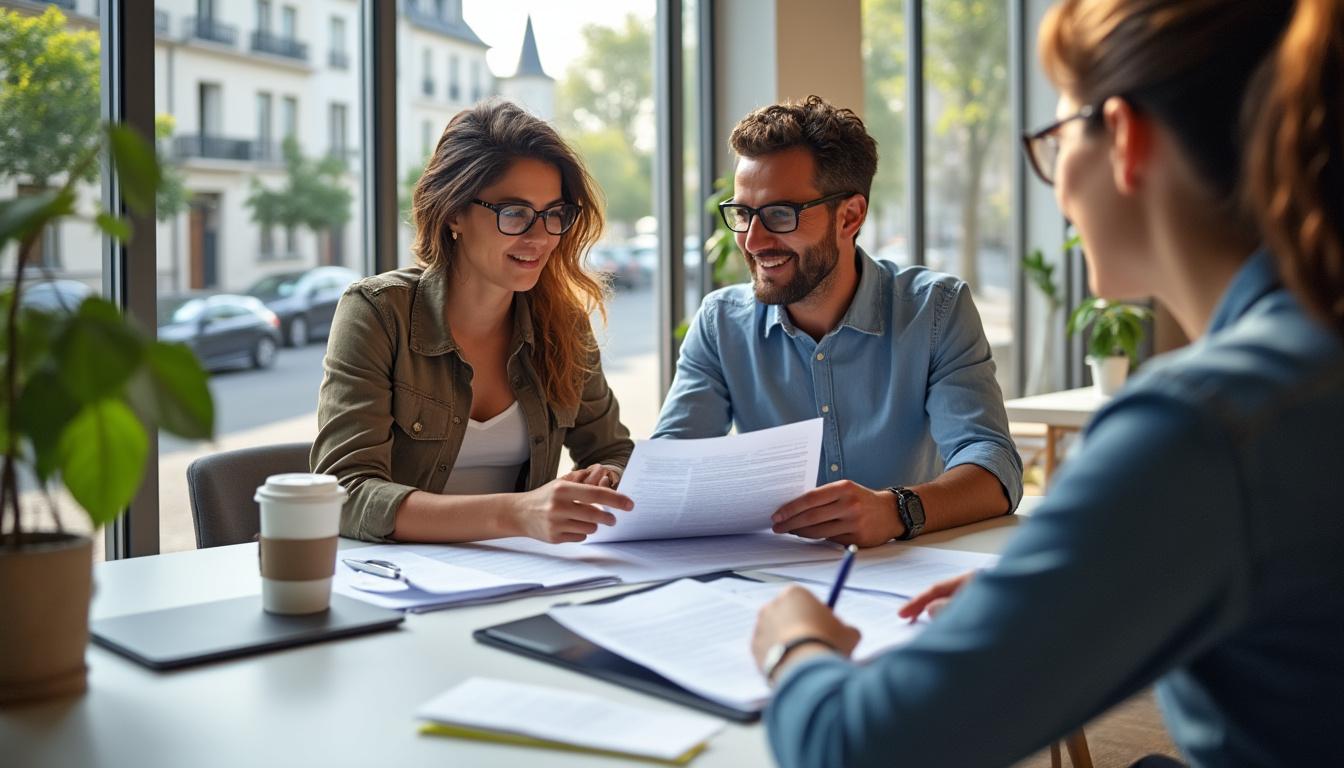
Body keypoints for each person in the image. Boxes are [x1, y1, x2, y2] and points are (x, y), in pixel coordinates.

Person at [751, 1, 1344, 765]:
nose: (1056, 188)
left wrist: (795, 640)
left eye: (1057, 139)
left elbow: (855, 748)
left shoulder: (1197, 424)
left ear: (1125, 140)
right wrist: (1064, 597)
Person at [652, 96, 1022, 547]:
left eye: (779, 215)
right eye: (744, 213)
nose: (752, 241)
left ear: (850, 216)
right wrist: (616, 481)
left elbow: (993, 467)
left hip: (906, 573)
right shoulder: (719, 324)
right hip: (772, 580)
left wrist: (894, 510)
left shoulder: (935, 311)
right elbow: (669, 468)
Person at [312, 100, 634, 544]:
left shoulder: (563, 324)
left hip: (523, 573)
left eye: (553, 214)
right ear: (454, 214)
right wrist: (517, 513)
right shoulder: (376, 312)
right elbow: (344, 493)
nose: (540, 236)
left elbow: (613, 449)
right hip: (398, 579)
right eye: (515, 213)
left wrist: (608, 476)